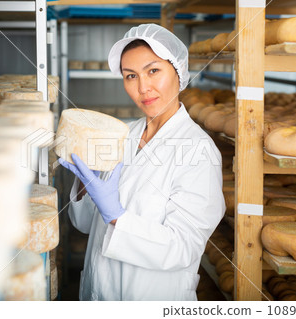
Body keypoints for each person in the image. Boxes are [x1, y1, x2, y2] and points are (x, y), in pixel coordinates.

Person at [59, 24, 225, 301]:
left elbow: (183, 247)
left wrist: (116, 215)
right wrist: (83, 184)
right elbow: (85, 224)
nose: (143, 87)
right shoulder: (123, 134)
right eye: (130, 76)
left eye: (153, 71)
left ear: (179, 71)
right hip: (97, 291)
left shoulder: (199, 151)